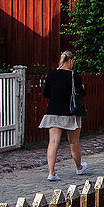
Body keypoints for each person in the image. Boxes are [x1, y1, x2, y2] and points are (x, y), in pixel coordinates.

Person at [40, 51, 89, 181]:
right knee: (74, 142)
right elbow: (81, 93)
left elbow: (46, 93)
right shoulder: (74, 75)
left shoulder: (51, 74)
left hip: (53, 111)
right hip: (70, 112)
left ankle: (51, 172)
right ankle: (79, 167)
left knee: (53, 142)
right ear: (71, 61)